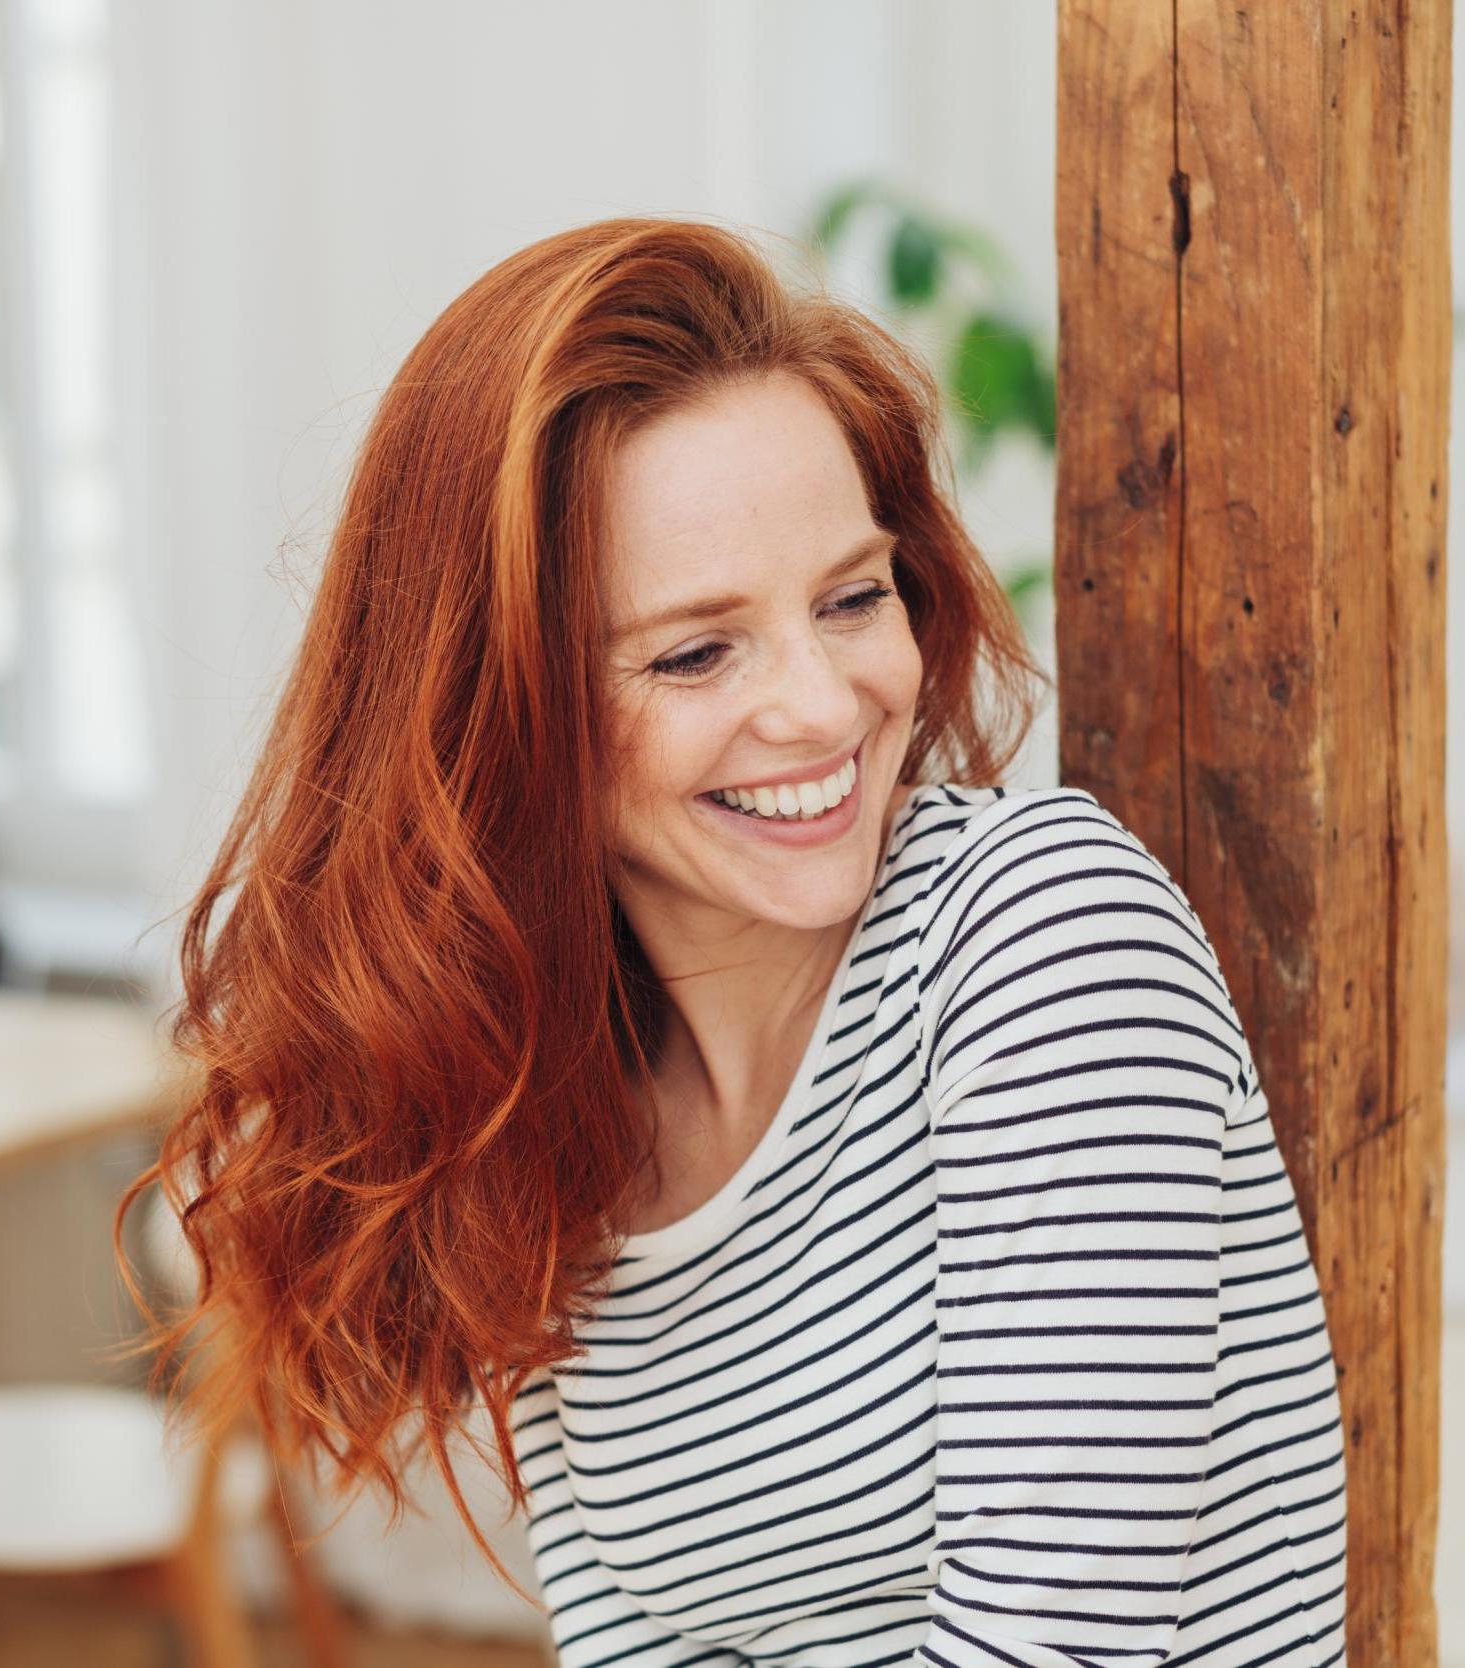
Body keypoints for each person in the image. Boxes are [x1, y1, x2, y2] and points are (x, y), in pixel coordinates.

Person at [119, 217, 1347, 1665]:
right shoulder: (557, 1112)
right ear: (502, 714)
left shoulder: (1043, 940)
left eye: (852, 598)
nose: (822, 707)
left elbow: (1055, 1643)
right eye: (696, 652)